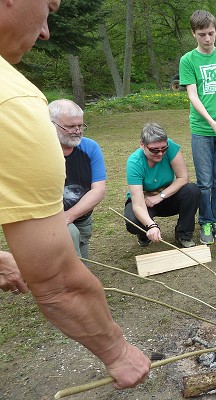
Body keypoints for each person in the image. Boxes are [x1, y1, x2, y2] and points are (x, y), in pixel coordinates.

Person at [0, 0, 150, 389]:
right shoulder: (13, 102)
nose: (47, 30)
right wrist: (117, 351)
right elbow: (58, 284)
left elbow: (99, 189)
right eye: (48, 7)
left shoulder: (91, 149)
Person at [179, 9, 216, 245]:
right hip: (202, 130)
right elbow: (193, 96)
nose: (208, 39)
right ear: (194, 33)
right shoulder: (188, 60)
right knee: (204, 180)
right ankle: (204, 221)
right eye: (202, 34)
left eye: (211, 33)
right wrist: (211, 122)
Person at [124, 123, 200, 248]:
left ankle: (183, 235)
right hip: (145, 201)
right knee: (133, 221)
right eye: (154, 150)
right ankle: (144, 235)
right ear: (142, 145)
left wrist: (160, 196)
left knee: (192, 190)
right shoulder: (134, 162)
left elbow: (183, 178)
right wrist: (152, 226)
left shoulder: (170, 147)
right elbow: (137, 205)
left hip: (167, 197)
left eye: (163, 149)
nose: (160, 153)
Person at [48, 99, 106, 260]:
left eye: (80, 126)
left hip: (81, 218)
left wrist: (70, 216)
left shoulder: (90, 148)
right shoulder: (39, 153)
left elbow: (99, 190)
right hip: (48, 221)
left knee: (81, 265)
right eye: (70, 127)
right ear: (51, 125)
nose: (78, 131)